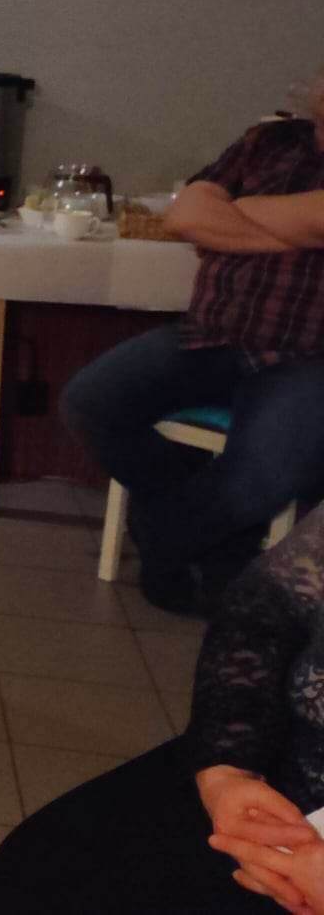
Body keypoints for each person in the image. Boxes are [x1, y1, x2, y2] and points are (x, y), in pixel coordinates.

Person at [61, 75, 324, 615]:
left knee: (270, 472)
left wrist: (234, 214)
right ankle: (212, 535)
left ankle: (166, 536)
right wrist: (292, 231)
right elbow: (185, 214)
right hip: (210, 332)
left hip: (308, 356)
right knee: (89, 402)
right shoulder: (268, 141)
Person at [0, 506, 324, 915]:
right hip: (277, 773)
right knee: (34, 874)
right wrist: (225, 769)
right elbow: (264, 604)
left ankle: (165, 534)